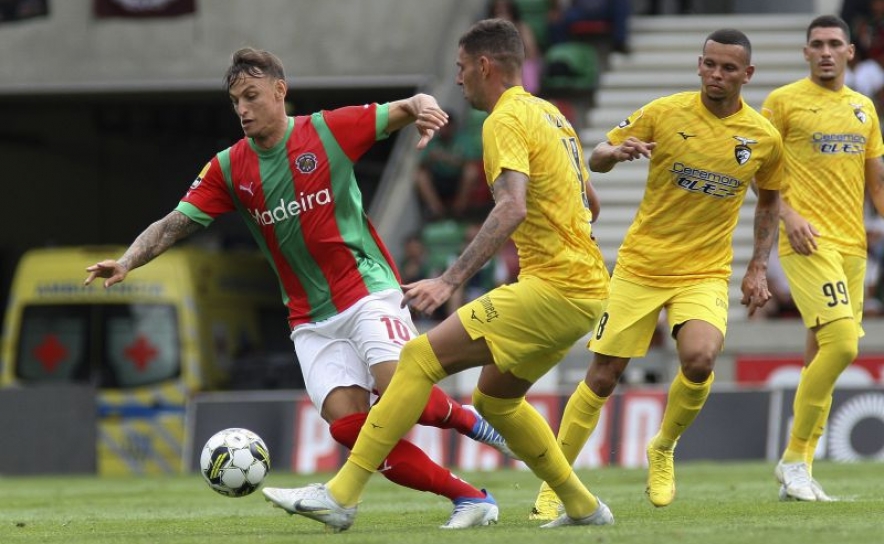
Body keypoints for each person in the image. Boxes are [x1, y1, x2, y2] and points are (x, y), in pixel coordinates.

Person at [83, 47, 514, 529]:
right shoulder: (228, 168)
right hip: (309, 319)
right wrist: (127, 261)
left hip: (367, 289)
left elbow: (404, 108)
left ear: (279, 91)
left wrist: (422, 105)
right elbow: (173, 224)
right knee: (350, 427)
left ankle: (470, 419)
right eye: (235, 102)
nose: (243, 109)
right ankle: (471, 498)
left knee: (399, 394)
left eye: (251, 96)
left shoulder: (328, 130)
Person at [261, 18, 613, 532]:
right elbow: (592, 205)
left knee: (419, 358)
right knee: (495, 399)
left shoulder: (504, 121)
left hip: (555, 288)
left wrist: (449, 279)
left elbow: (511, 207)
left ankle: (341, 494)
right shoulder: (553, 116)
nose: (459, 78)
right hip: (583, 290)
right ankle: (583, 507)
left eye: (462, 68)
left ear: (485, 65)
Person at [529, 27, 783, 518]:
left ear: (747, 75)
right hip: (641, 267)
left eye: (728, 68)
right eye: (709, 64)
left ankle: (662, 447)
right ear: (699, 63)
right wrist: (615, 153)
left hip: (705, 271)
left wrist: (756, 266)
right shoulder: (664, 112)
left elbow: (770, 200)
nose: (716, 74)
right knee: (603, 376)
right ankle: (557, 481)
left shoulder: (763, 138)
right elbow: (597, 157)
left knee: (700, 359)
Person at [760, 14, 884, 502]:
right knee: (844, 347)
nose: (827, 51)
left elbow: (876, 181)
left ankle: (801, 471)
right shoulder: (783, 102)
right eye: (818, 44)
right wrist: (788, 217)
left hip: (853, 247)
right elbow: (762, 176)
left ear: (851, 52)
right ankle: (793, 458)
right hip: (808, 243)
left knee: (821, 357)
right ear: (805, 52)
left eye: (836, 43)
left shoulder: (863, 109)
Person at [487, 0, 544, 94]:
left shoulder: (522, 27)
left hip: (523, 63)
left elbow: (531, 52)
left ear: (511, 12)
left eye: (505, 11)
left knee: (526, 68)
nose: (502, 15)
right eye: (498, 12)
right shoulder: (489, 32)